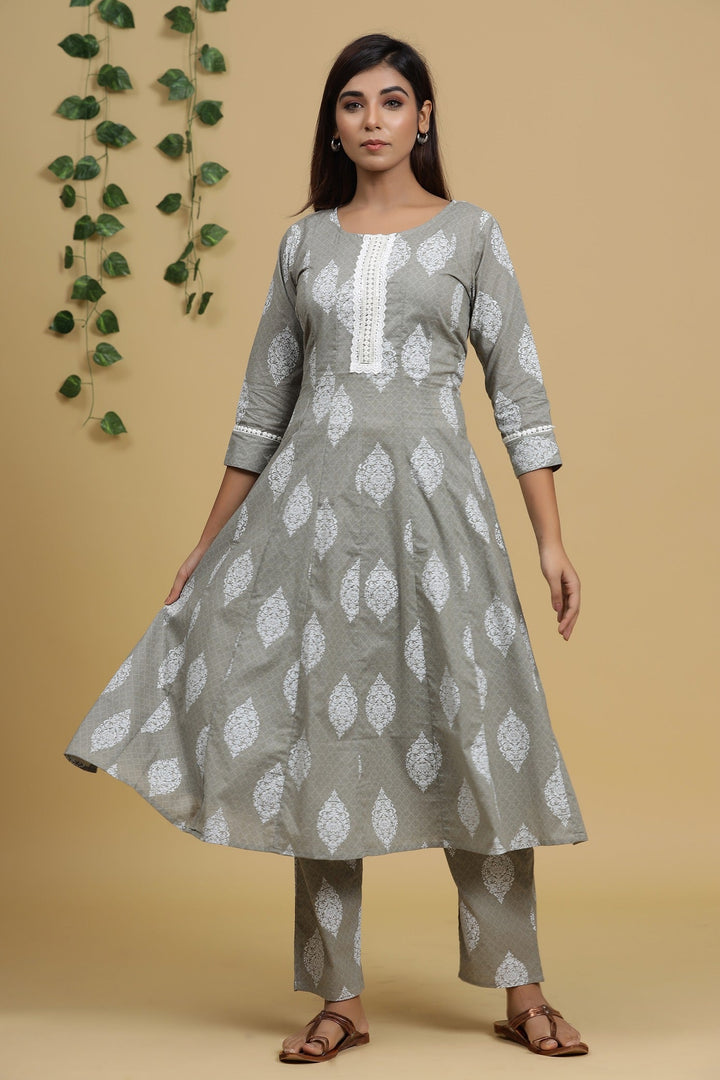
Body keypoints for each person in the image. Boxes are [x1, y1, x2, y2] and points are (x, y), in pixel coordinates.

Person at [64, 31, 589, 1063]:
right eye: (353, 103)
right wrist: (205, 543)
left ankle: (523, 989)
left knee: (479, 731)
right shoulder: (304, 244)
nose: (373, 119)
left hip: (439, 520)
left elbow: (519, 393)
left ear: (423, 118)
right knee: (323, 740)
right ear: (334, 124)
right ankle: (338, 997)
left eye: (392, 101)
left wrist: (552, 540)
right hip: (312, 526)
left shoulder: (473, 234)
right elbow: (263, 405)